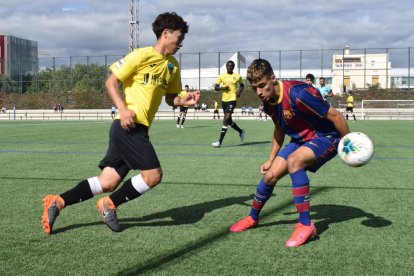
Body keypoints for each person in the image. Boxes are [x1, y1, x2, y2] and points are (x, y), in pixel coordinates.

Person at [41, 12, 200, 235]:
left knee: (107, 181)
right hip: (128, 126)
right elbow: (111, 82)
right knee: (153, 175)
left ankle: (56, 202)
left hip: (136, 129)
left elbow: (170, 98)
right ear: (166, 34)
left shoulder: (172, 66)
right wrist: (123, 109)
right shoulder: (140, 55)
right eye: (179, 36)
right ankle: (109, 205)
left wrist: (184, 99)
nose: (181, 42)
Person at [229, 59, 350, 247]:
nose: (259, 92)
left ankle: (305, 225)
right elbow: (279, 129)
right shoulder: (268, 101)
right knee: (270, 176)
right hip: (300, 140)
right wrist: (270, 159)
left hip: (327, 136)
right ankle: (253, 218)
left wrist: (348, 144)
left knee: (294, 162)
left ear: (273, 78)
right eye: (254, 88)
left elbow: (336, 116)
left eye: (262, 85)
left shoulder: (298, 93)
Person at [212, 60, 245, 147]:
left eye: (231, 66)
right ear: (226, 66)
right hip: (224, 101)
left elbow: (242, 85)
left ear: (233, 67)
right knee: (229, 121)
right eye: (228, 66)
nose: (229, 67)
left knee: (226, 119)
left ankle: (219, 142)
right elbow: (215, 87)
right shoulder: (221, 76)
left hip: (232, 100)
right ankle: (241, 131)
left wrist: (239, 92)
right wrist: (222, 88)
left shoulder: (237, 76)